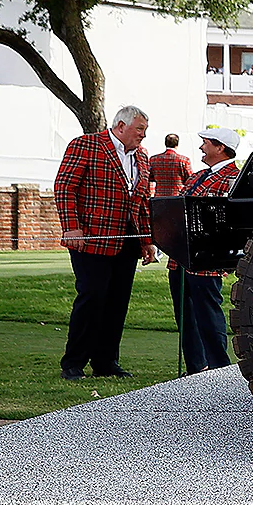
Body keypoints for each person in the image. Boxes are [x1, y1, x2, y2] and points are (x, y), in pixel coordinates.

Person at [54, 105, 157, 380]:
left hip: (127, 241)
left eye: (145, 130)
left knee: (117, 302)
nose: (143, 136)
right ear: (120, 126)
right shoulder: (86, 144)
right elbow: (65, 186)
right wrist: (71, 228)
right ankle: (73, 363)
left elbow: (142, 203)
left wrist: (147, 241)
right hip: (92, 240)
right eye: (139, 129)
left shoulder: (143, 157)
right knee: (92, 296)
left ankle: (106, 362)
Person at [179, 129, 242, 373]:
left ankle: (218, 367)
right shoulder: (197, 176)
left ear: (220, 147)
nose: (201, 148)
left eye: (205, 143)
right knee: (187, 317)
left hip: (207, 259)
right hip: (182, 258)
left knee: (207, 314)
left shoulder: (234, 178)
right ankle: (196, 368)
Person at [150, 133, 194, 328]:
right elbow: (189, 180)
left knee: (159, 232)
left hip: (159, 199)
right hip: (176, 201)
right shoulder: (182, 160)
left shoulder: (154, 159)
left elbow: (150, 177)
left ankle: (156, 253)